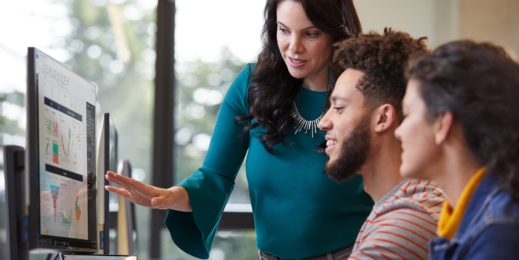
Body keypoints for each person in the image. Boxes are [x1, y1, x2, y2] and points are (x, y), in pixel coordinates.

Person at [105, 0, 374, 259]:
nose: (293, 47)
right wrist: (171, 196)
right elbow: (215, 176)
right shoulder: (253, 86)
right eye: (283, 30)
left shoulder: (364, 95)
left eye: (310, 34)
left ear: (337, 33)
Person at [318, 28, 446, 259]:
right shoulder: (400, 204)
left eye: (338, 108)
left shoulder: (408, 222)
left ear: (383, 118)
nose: (323, 123)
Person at [396, 40, 519, 259]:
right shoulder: (474, 218)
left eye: (407, 115)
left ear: (442, 124)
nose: (399, 131)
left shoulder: (498, 234)